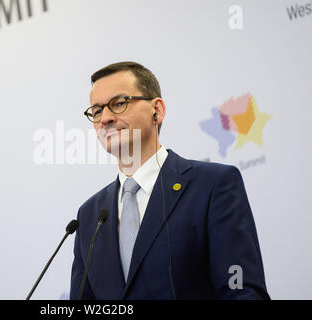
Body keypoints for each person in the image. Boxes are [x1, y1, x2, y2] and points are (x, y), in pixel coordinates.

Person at [70, 61, 270, 300]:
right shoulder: (90, 215)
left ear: (157, 110)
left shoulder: (212, 186)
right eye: (97, 111)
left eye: (119, 104)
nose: (105, 119)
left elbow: (242, 292)